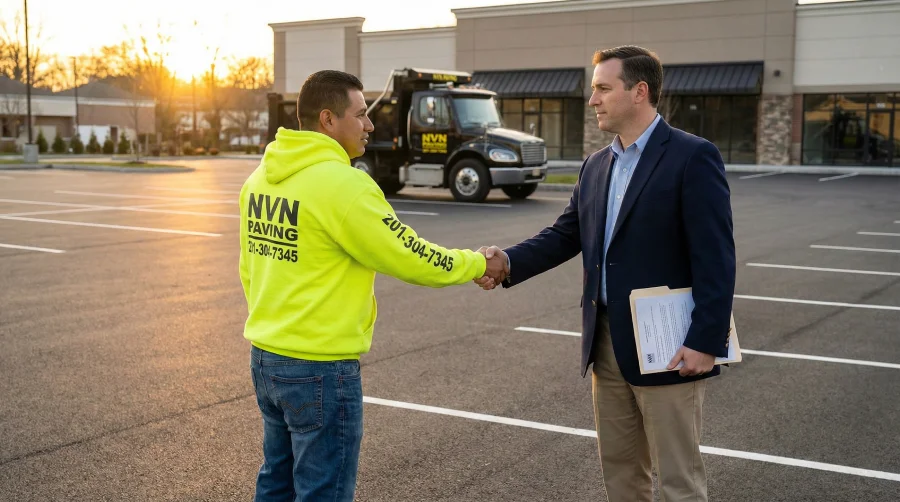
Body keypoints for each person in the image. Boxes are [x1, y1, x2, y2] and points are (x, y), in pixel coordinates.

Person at [475, 46, 736, 502]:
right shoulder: (597, 165)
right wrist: (507, 262)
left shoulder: (693, 157)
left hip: (669, 346)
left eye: (602, 88)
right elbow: (564, 235)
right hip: (606, 340)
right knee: (621, 475)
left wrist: (705, 341)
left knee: (679, 481)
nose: (592, 100)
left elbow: (716, 256)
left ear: (639, 91)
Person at [238, 69, 508, 502]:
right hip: (320, 367)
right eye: (361, 115)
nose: (370, 125)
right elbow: (409, 255)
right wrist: (476, 262)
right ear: (328, 119)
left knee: (276, 482)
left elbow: (250, 269)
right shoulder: (343, 185)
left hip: (267, 357)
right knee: (323, 490)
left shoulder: (259, 180)